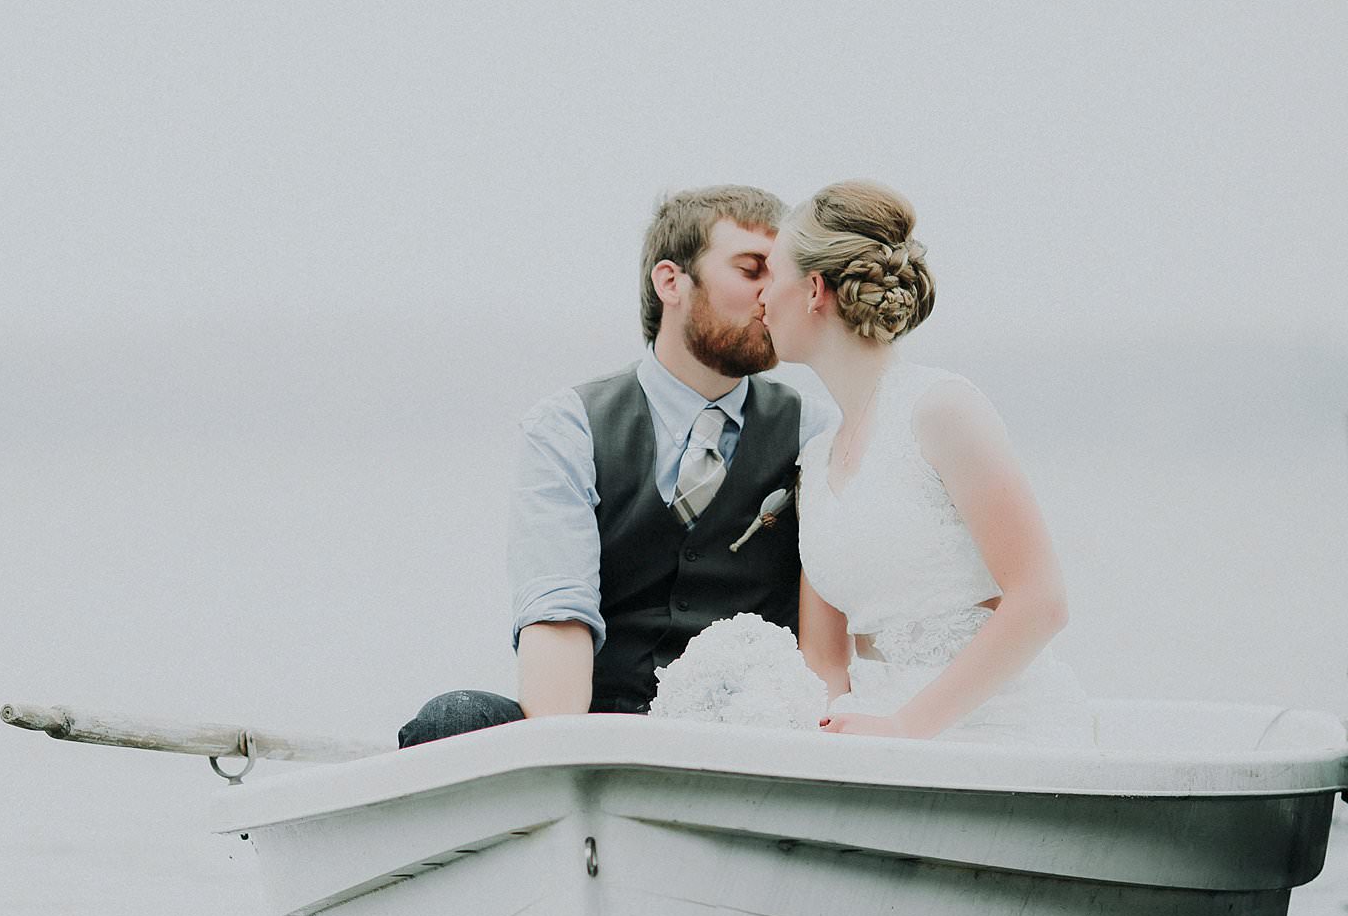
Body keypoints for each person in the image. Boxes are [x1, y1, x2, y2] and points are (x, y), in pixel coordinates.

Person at [398, 186, 836, 744]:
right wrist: (570, 760)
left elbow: (827, 643)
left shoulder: (815, 430)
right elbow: (559, 615)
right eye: (752, 270)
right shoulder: (568, 425)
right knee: (452, 722)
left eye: (780, 276)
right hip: (601, 725)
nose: (770, 296)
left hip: (751, 737)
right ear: (670, 282)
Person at [754, 180, 1090, 744]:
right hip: (872, 733)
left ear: (814, 289)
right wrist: (834, 734)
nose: (760, 298)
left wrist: (908, 727)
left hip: (992, 728)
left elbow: (1040, 601)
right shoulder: (815, 459)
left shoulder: (942, 410)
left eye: (771, 274)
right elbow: (823, 653)